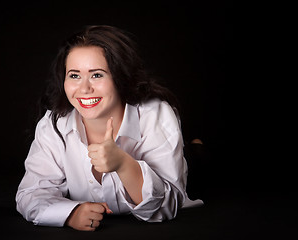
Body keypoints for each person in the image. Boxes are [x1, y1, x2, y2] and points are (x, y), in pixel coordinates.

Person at [16, 25, 202, 231]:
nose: (84, 88)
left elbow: (168, 206)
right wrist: (69, 214)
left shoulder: (156, 114)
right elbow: (30, 194)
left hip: (188, 162)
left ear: (120, 77)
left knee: (200, 166)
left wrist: (124, 164)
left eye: (97, 75)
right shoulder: (54, 122)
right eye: (74, 75)